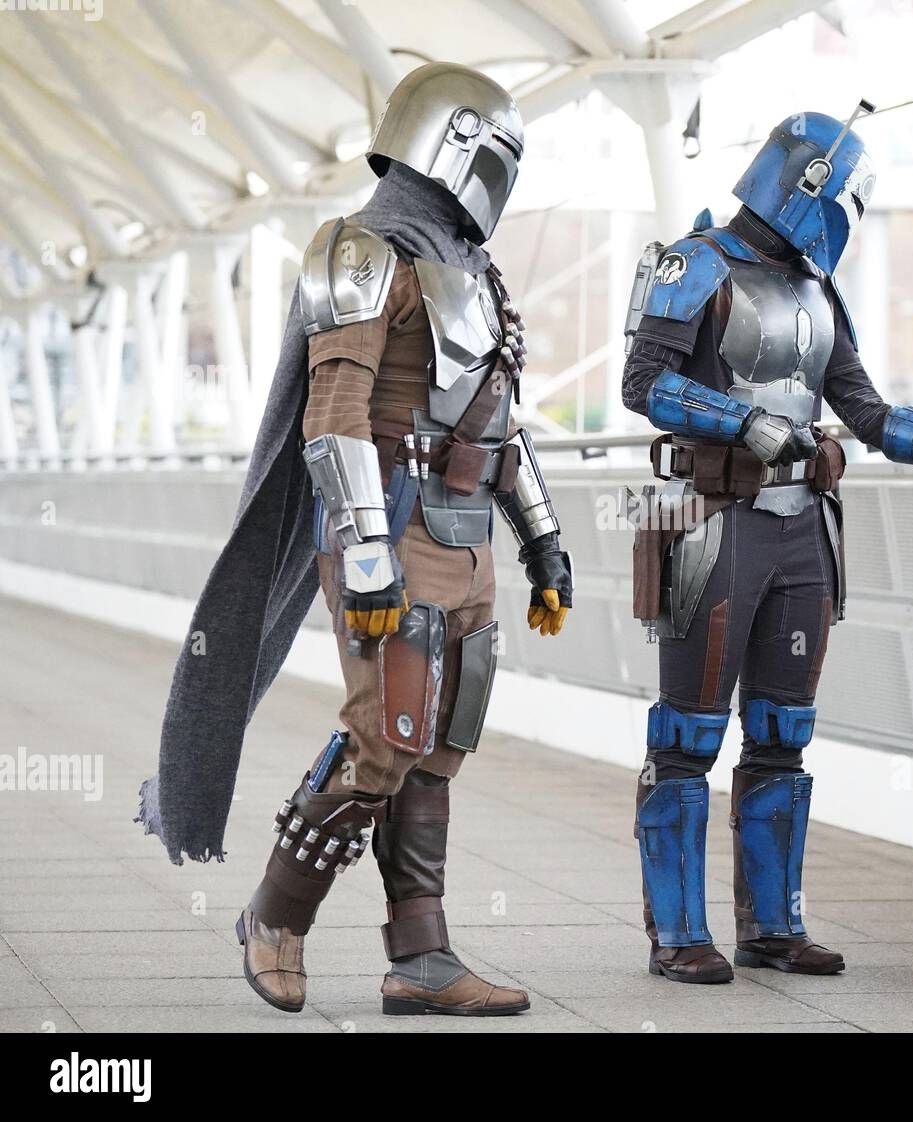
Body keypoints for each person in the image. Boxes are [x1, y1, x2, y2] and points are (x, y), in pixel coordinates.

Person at [140, 63, 573, 1018]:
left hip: (466, 540)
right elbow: (334, 420)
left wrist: (543, 544)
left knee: (441, 744)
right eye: (496, 158)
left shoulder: (472, 268)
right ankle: (274, 917)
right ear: (455, 145)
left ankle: (420, 956)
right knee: (386, 737)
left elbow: (499, 425)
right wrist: (367, 551)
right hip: (395, 529)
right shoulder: (362, 251)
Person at [622, 107, 913, 984]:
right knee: (686, 737)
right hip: (707, 516)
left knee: (783, 732)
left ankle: (772, 927)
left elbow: (873, 416)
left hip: (804, 525)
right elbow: (644, 383)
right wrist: (748, 422)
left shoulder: (816, 290)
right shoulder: (690, 264)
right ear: (811, 185)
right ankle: (678, 935)